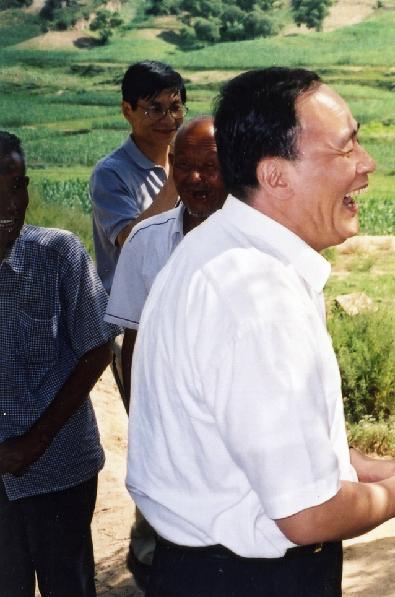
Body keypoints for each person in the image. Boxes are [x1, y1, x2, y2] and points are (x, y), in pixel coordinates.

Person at [126, 67, 395, 597]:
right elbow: (306, 514)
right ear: (277, 177)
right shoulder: (257, 298)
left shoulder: (224, 253)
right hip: (249, 581)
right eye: (347, 148)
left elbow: (266, 443)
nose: (366, 165)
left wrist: (373, 470)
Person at [103, 115, 228, 589]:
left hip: (235, 433)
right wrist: (147, 427)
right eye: (185, 165)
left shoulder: (263, 241)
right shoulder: (147, 241)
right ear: (170, 166)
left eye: (211, 166)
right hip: (170, 432)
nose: (196, 178)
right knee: (162, 552)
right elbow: (132, 343)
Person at [0, 131, 119, 597]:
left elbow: (97, 350)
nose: (9, 203)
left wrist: (35, 441)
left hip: (60, 467)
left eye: (16, 184)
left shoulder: (59, 254)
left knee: (67, 584)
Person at [90, 60, 187, 292]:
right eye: (155, 109)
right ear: (127, 110)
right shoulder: (111, 173)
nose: (168, 119)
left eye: (175, 107)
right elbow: (133, 243)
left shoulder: (188, 162)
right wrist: (175, 181)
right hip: (131, 315)